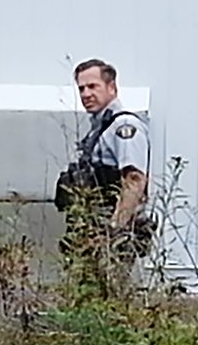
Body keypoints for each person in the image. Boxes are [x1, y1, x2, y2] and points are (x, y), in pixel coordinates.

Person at [54, 58, 153, 260]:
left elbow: (134, 179)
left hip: (110, 234)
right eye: (81, 89)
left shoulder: (124, 126)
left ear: (112, 87)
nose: (86, 94)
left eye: (93, 86)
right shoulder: (100, 128)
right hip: (93, 230)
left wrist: (114, 231)